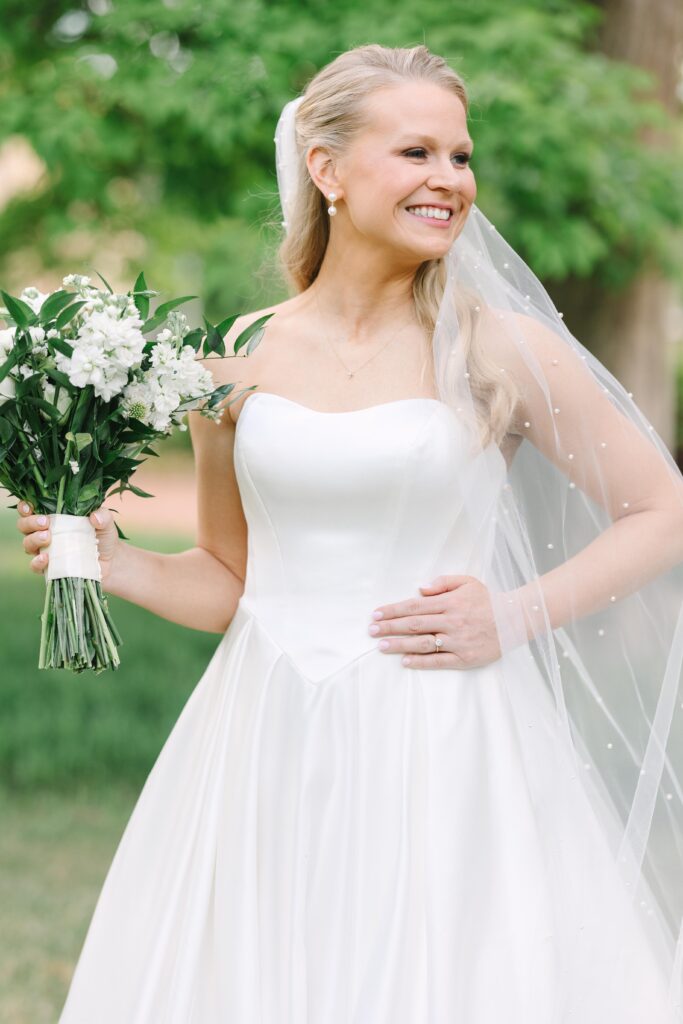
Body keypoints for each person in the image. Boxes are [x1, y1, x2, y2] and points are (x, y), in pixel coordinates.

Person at [16, 43, 683, 1022]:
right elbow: (230, 576)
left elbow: (661, 509)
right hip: (264, 736)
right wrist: (115, 563)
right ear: (325, 168)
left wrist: (512, 614)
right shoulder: (231, 356)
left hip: (443, 737)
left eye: (459, 156)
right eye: (415, 152)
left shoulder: (496, 348)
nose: (448, 179)